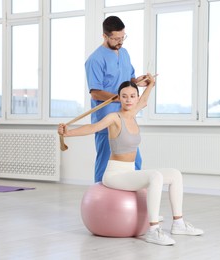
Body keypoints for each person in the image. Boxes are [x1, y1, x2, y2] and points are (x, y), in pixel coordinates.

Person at [58, 74, 204, 246]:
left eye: (132, 96)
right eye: (124, 96)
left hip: (129, 171)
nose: (129, 100)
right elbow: (93, 127)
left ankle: (178, 223)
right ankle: (153, 230)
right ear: (118, 98)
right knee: (155, 176)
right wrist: (67, 132)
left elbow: (144, 101)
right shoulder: (114, 117)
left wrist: (151, 84)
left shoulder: (133, 114)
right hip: (114, 174)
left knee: (175, 174)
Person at [85, 15, 148, 183]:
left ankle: (134, 194)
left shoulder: (125, 53)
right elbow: (95, 92)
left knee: (135, 160)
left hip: (127, 117)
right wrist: (119, 98)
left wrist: (139, 81)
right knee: (105, 160)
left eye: (123, 37)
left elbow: (129, 81)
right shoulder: (95, 60)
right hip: (107, 118)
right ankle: (98, 197)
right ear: (105, 36)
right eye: (116, 38)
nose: (120, 42)